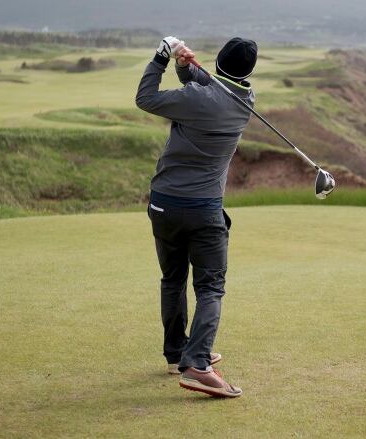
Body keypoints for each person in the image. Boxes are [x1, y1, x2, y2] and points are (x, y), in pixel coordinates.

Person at [135, 36, 257, 398]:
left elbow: (146, 98)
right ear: (247, 72)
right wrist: (187, 67)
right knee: (210, 288)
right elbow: (208, 89)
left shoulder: (196, 99)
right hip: (203, 210)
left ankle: (178, 354)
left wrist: (161, 58)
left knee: (172, 279)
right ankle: (196, 364)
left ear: (218, 61)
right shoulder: (246, 101)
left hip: (164, 204)